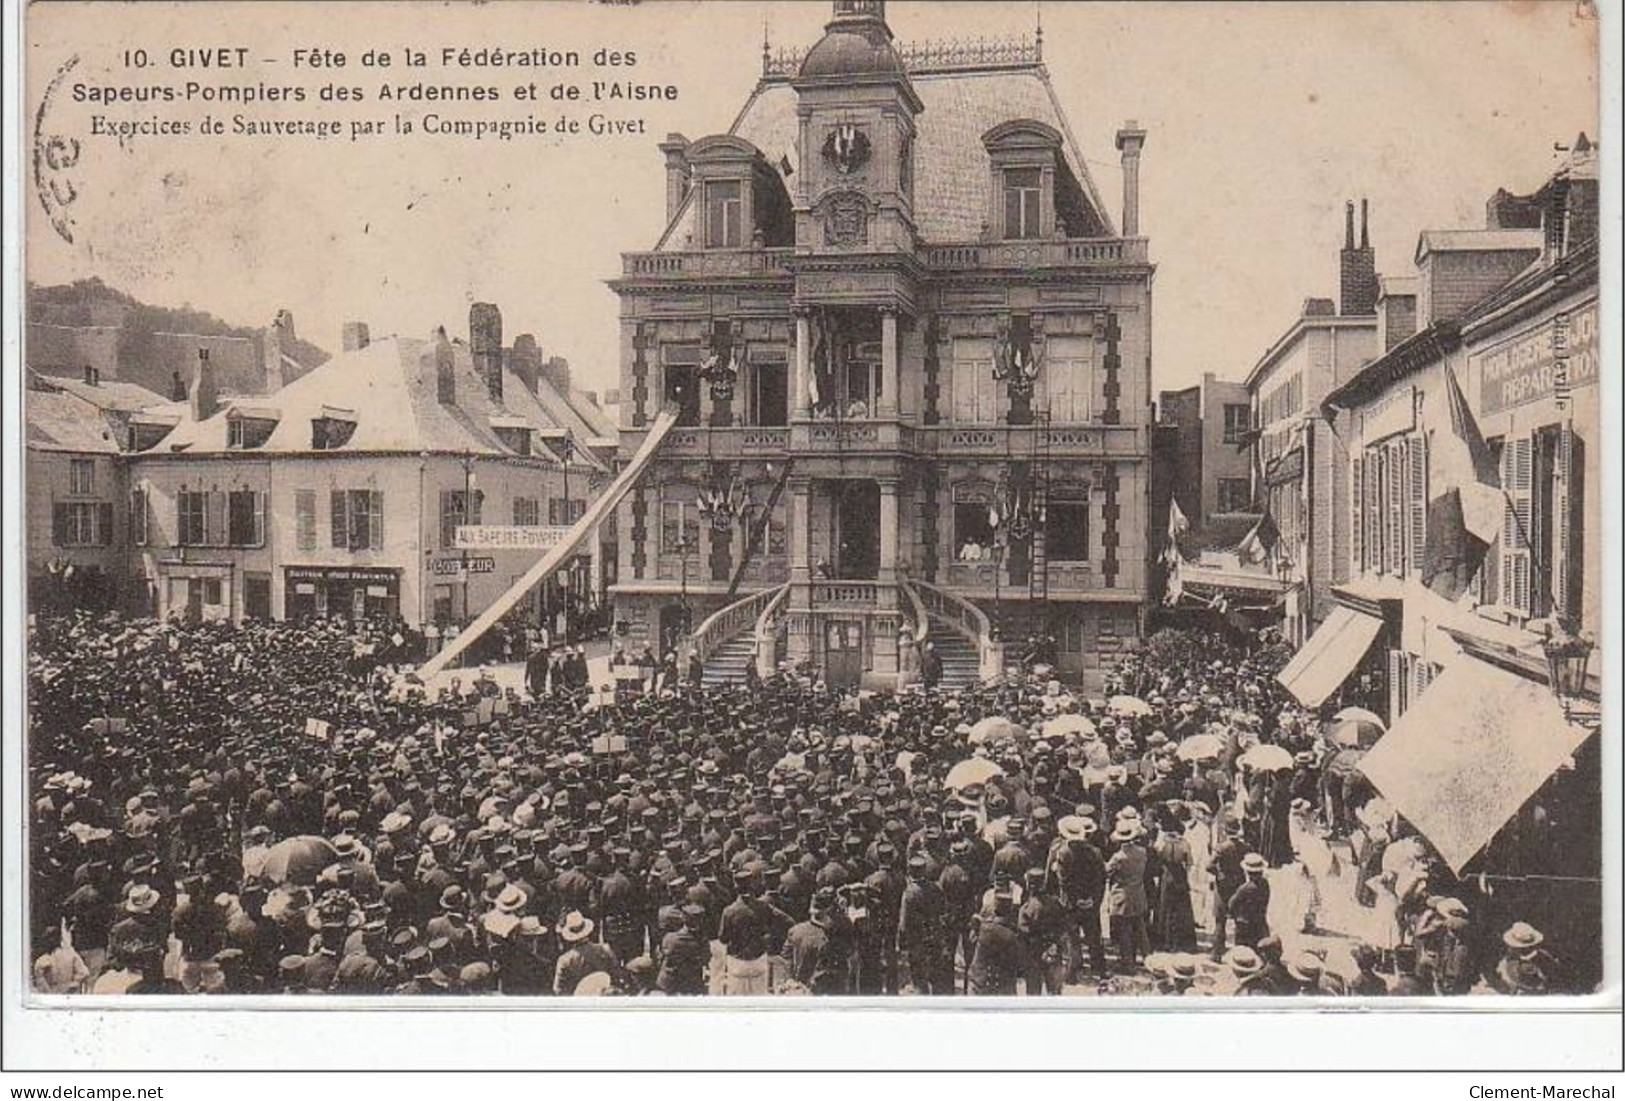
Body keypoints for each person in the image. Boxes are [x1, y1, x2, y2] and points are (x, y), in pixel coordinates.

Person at [1104, 820, 1150, 973]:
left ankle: (1128, 964)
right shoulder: (1142, 852)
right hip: (1138, 893)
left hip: (1122, 896)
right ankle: (1148, 958)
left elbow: (1107, 871)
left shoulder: (1119, 857)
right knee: (1140, 928)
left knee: (1125, 931)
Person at [1226, 852, 1271, 950]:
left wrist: (1235, 915)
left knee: (1243, 951)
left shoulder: (1245, 888)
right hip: (1260, 922)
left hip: (1245, 924)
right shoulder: (1265, 884)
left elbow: (1231, 904)